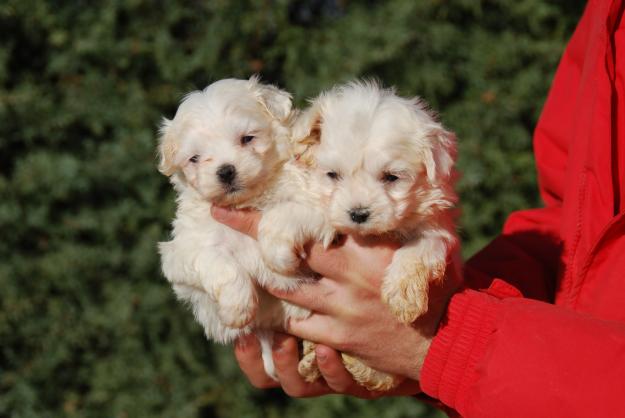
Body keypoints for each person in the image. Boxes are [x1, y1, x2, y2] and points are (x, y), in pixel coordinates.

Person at [212, 0, 625, 416]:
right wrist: (437, 338)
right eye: (334, 177)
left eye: (390, 178)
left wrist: (447, 342)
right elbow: (573, 232)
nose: (357, 205)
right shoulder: (604, 16)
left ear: (434, 161)